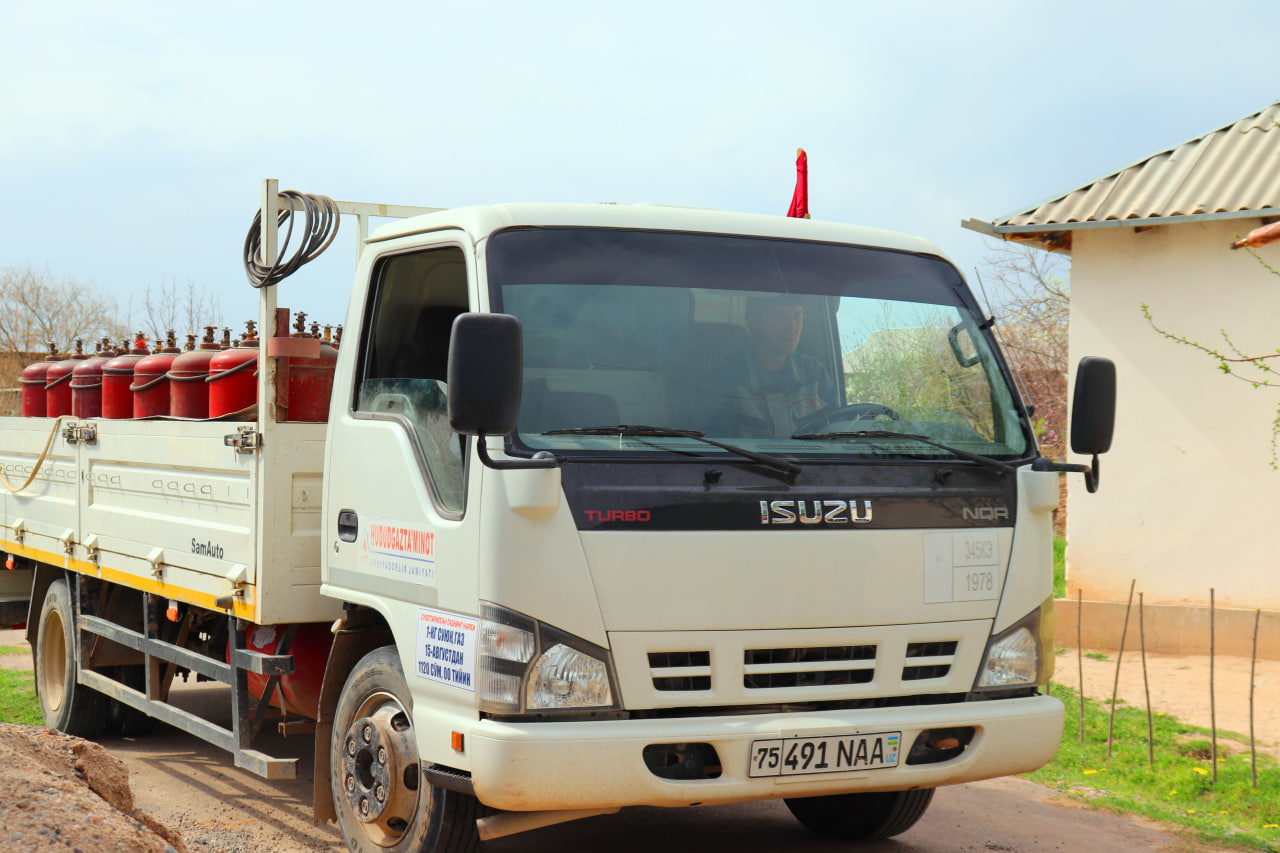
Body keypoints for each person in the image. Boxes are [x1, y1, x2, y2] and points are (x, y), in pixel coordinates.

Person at [701, 294, 838, 439]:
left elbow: (837, 430)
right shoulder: (724, 379)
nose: (792, 326)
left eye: (797, 316)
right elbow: (711, 443)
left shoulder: (815, 373)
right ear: (753, 321)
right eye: (780, 316)